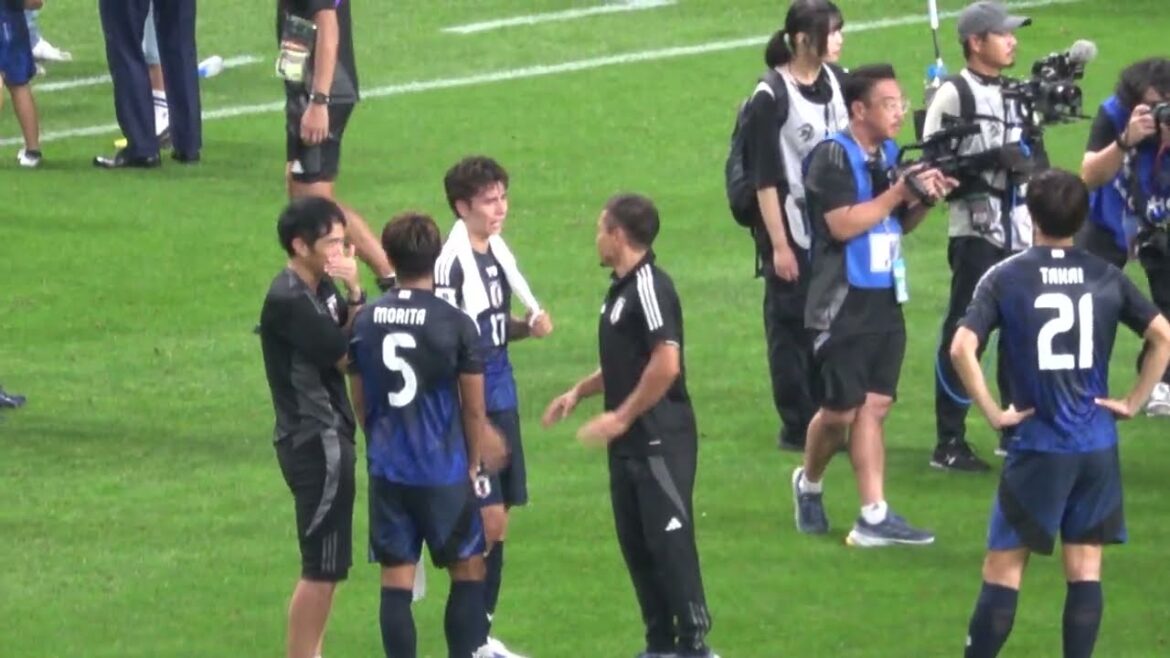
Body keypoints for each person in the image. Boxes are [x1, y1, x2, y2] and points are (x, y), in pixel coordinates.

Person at [949, 169, 1170, 658]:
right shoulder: (1107, 275)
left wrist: (993, 412)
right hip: (1096, 445)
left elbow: (962, 347)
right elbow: (1164, 337)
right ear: (1082, 218)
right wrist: (1133, 401)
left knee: (1004, 569)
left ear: (1031, 216)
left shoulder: (1006, 276)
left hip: (1038, 443)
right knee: (1085, 569)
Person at [543, 194, 717, 658]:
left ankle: (694, 644)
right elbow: (628, 362)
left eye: (600, 229)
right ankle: (659, 643)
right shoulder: (621, 291)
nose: (596, 238)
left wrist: (621, 416)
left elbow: (666, 362)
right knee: (637, 545)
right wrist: (579, 392)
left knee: (669, 541)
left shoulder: (650, 288)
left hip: (659, 438)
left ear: (617, 235)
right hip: (629, 444)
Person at [792, 64, 955, 547]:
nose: (899, 112)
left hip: (884, 296)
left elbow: (895, 225)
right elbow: (842, 225)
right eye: (889, 104)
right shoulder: (832, 157)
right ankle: (808, 483)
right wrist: (898, 192)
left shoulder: (887, 154)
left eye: (901, 103)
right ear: (859, 109)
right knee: (840, 412)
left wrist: (923, 200)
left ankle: (873, 515)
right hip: (841, 301)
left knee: (875, 406)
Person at [349, 211, 508, 658]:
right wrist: (474, 462)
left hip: (389, 468)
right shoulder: (455, 323)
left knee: (396, 579)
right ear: (437, 258)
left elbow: (359, 397)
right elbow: (473, 407)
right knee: (468, 570)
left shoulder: (367, 320)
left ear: (389, 255)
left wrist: (378, 440)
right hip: (443, 471)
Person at [434, 155, 552, 658]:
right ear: (462, 207)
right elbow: (448, 348)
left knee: (500, 524)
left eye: (503, 197)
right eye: (488, 200)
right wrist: (474, 424)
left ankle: (480, 638)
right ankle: (467, 645)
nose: (500, 208)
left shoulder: (495, 252)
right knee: (486, 527)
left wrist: (526, 326)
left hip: (503, 396)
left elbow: (490, 331)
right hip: (475, 407)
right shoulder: (452, 265)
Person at [924, 0, 1047, 471]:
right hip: (976, 233)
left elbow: (1038, 160)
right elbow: (931, 168)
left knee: (1019, 331)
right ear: (976, 43)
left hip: (1020, 232)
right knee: (966, 333)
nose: (1013, 41)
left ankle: (1013, 427)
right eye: (1003, 34)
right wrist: (990, 161)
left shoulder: (1019, 93)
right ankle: (949, 440)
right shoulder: (953, 94)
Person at [258, 196, 365, 658]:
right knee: (322, 567)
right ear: (300, 246)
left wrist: (351, 297)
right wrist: (357, 292)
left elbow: (345, 330)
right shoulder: (290, 300)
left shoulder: (319, 285)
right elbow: (348, 355)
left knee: (329, 566)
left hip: (325, 436)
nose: (341, 251)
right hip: (316, 441)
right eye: (332, 243)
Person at [739, 0, 847, 452]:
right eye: (832, 31)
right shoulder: (770, 97)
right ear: (804, 39)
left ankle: (827, 415)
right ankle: (797, 424)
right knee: (792, 327)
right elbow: (764, 178)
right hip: (791, 228)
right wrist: (779, 245)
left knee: (831, 320)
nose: (840, 39)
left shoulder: (837, 81)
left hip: (833, 227)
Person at [275, 0, 393, 282]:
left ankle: (389, 274)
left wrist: (319, 101)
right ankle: (375, 275)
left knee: (314, 202)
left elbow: (327, 25)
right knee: (303, 195)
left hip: (321, 93)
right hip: (307, 90)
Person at [1078, 57, 1170, 416]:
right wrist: (1124, 140)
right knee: (1089, 303)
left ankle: (1161, 381)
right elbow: (1088, 176)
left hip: (1161, 217)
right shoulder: (1114, 112)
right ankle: (1082, 384)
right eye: (1151, 105)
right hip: (1109, 216)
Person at [2, 0, 43, 168]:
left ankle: (33, 150)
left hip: (6, 22)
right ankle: (33, 150)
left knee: (17, 85)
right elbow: (34, 2)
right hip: (8, 21)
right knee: (18, 84)